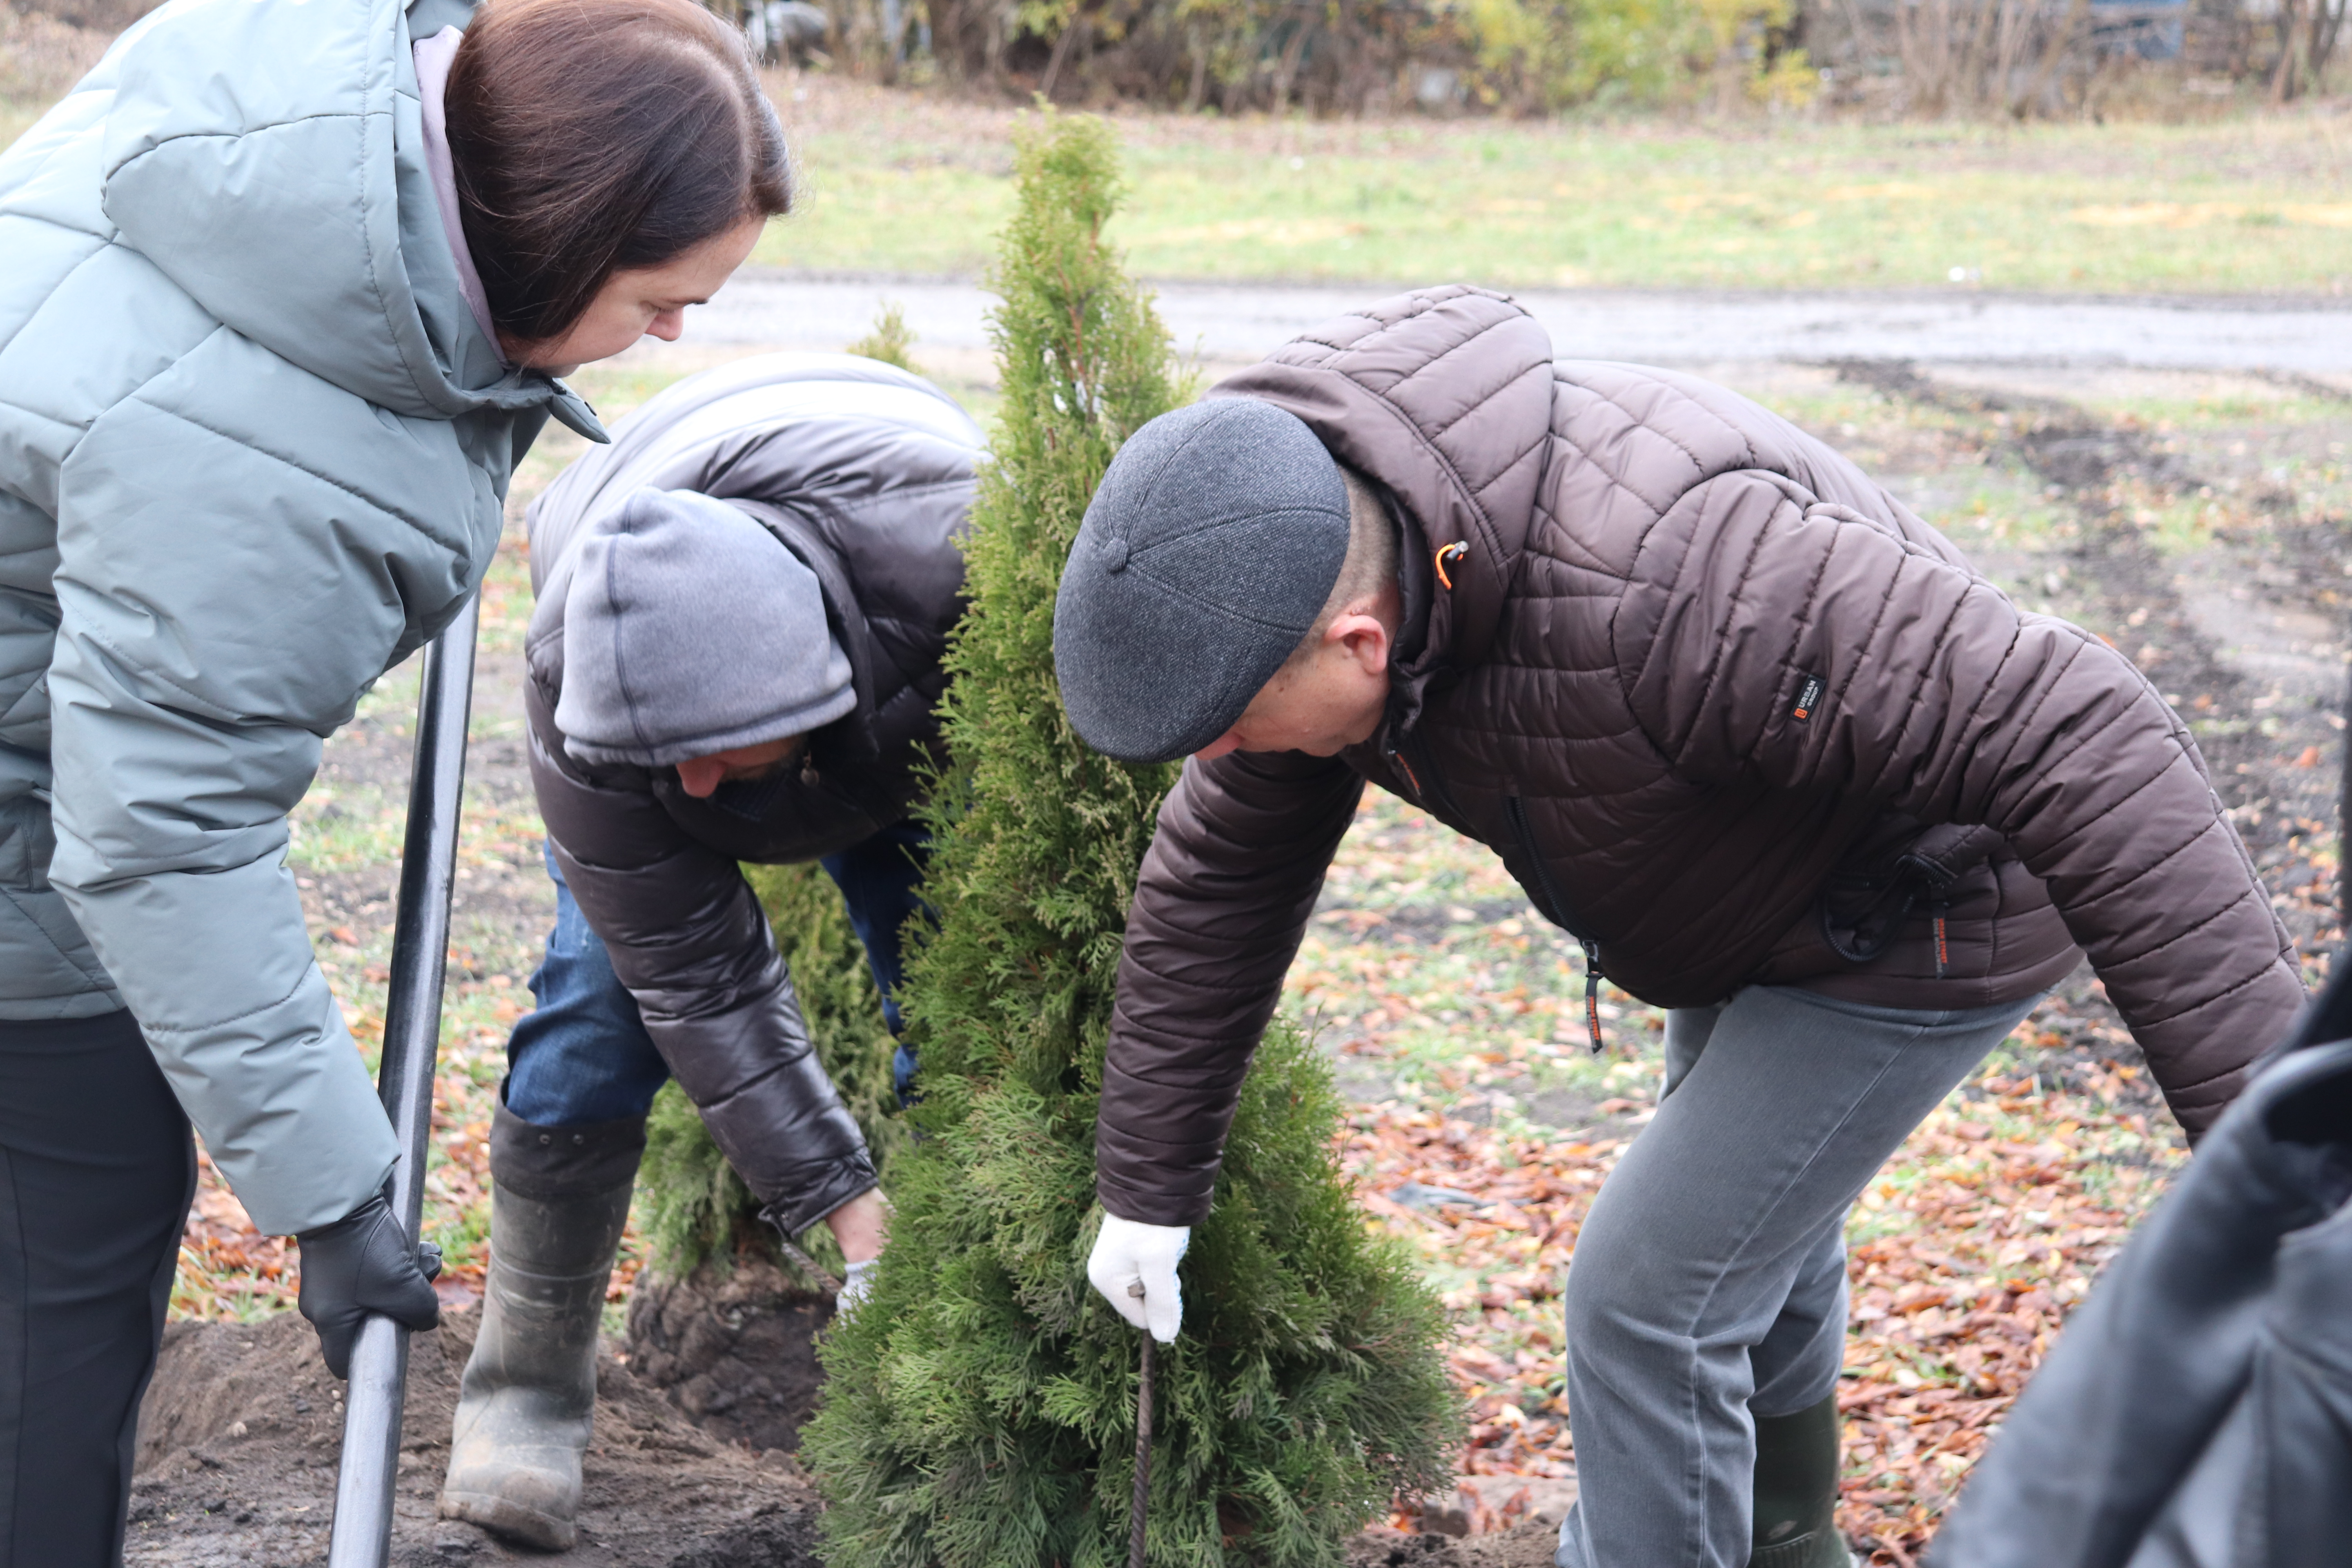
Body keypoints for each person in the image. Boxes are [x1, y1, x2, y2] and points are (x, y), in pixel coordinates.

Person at [1049, 286, 2307, 1568]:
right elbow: (1221, 876)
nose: (1216, 755)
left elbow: (2080, 728)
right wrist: (1147, 1193)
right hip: (1743, 884)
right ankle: (1787, 1539)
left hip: (1925, 907)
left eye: (1232, 722)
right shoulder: (1308, 553)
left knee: (1651, 1296)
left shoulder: (1681, 575)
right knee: (1746, 1238)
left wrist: (2294, 1166)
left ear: (1359, 643)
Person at [0, 0, 786, 1557]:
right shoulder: (267, 448)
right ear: (550, 241)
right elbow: (164, 835)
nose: (675, 335)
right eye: (660, 299)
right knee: (68, 1282)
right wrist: (335, 1206)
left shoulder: (297, 103)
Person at [436, 352, 980, 1550]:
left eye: (715, 755)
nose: (690, 790)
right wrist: (849, 1214)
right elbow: (699, 980)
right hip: (674, 576)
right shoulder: (586, 697)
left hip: (907, 686)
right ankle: (523, 1390)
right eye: (662, 761)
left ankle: (978, 1356)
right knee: (593, 1013)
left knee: (963, 993)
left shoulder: (962, 570)